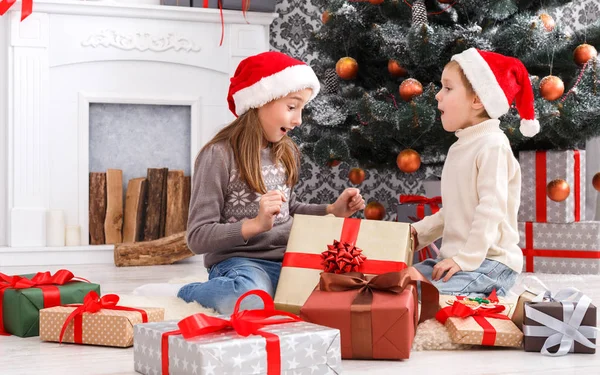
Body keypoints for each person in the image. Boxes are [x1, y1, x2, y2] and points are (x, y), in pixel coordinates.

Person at [134, 51, 365, 313]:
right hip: (240, 262)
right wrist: (254, 225)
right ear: (260, 101)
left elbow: (289, 210)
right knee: (248, 297)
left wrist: (331, 210)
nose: (298, 120)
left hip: (288, 259)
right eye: (292, 107)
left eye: (302, 109)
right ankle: (184, 293)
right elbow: (197, 238)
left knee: (344, 290)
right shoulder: (218, 156)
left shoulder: (285, 151)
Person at [411, 48, 540, 297]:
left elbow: (491, 209)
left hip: (490, 263)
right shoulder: (460, 146)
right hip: (459, 259)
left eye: (447, 88)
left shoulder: (493, 144)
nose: (438, 96)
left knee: (425, 297)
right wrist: (419, 233)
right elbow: (456, 211)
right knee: (402, 285)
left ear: (477, 100)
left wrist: (464, 260)